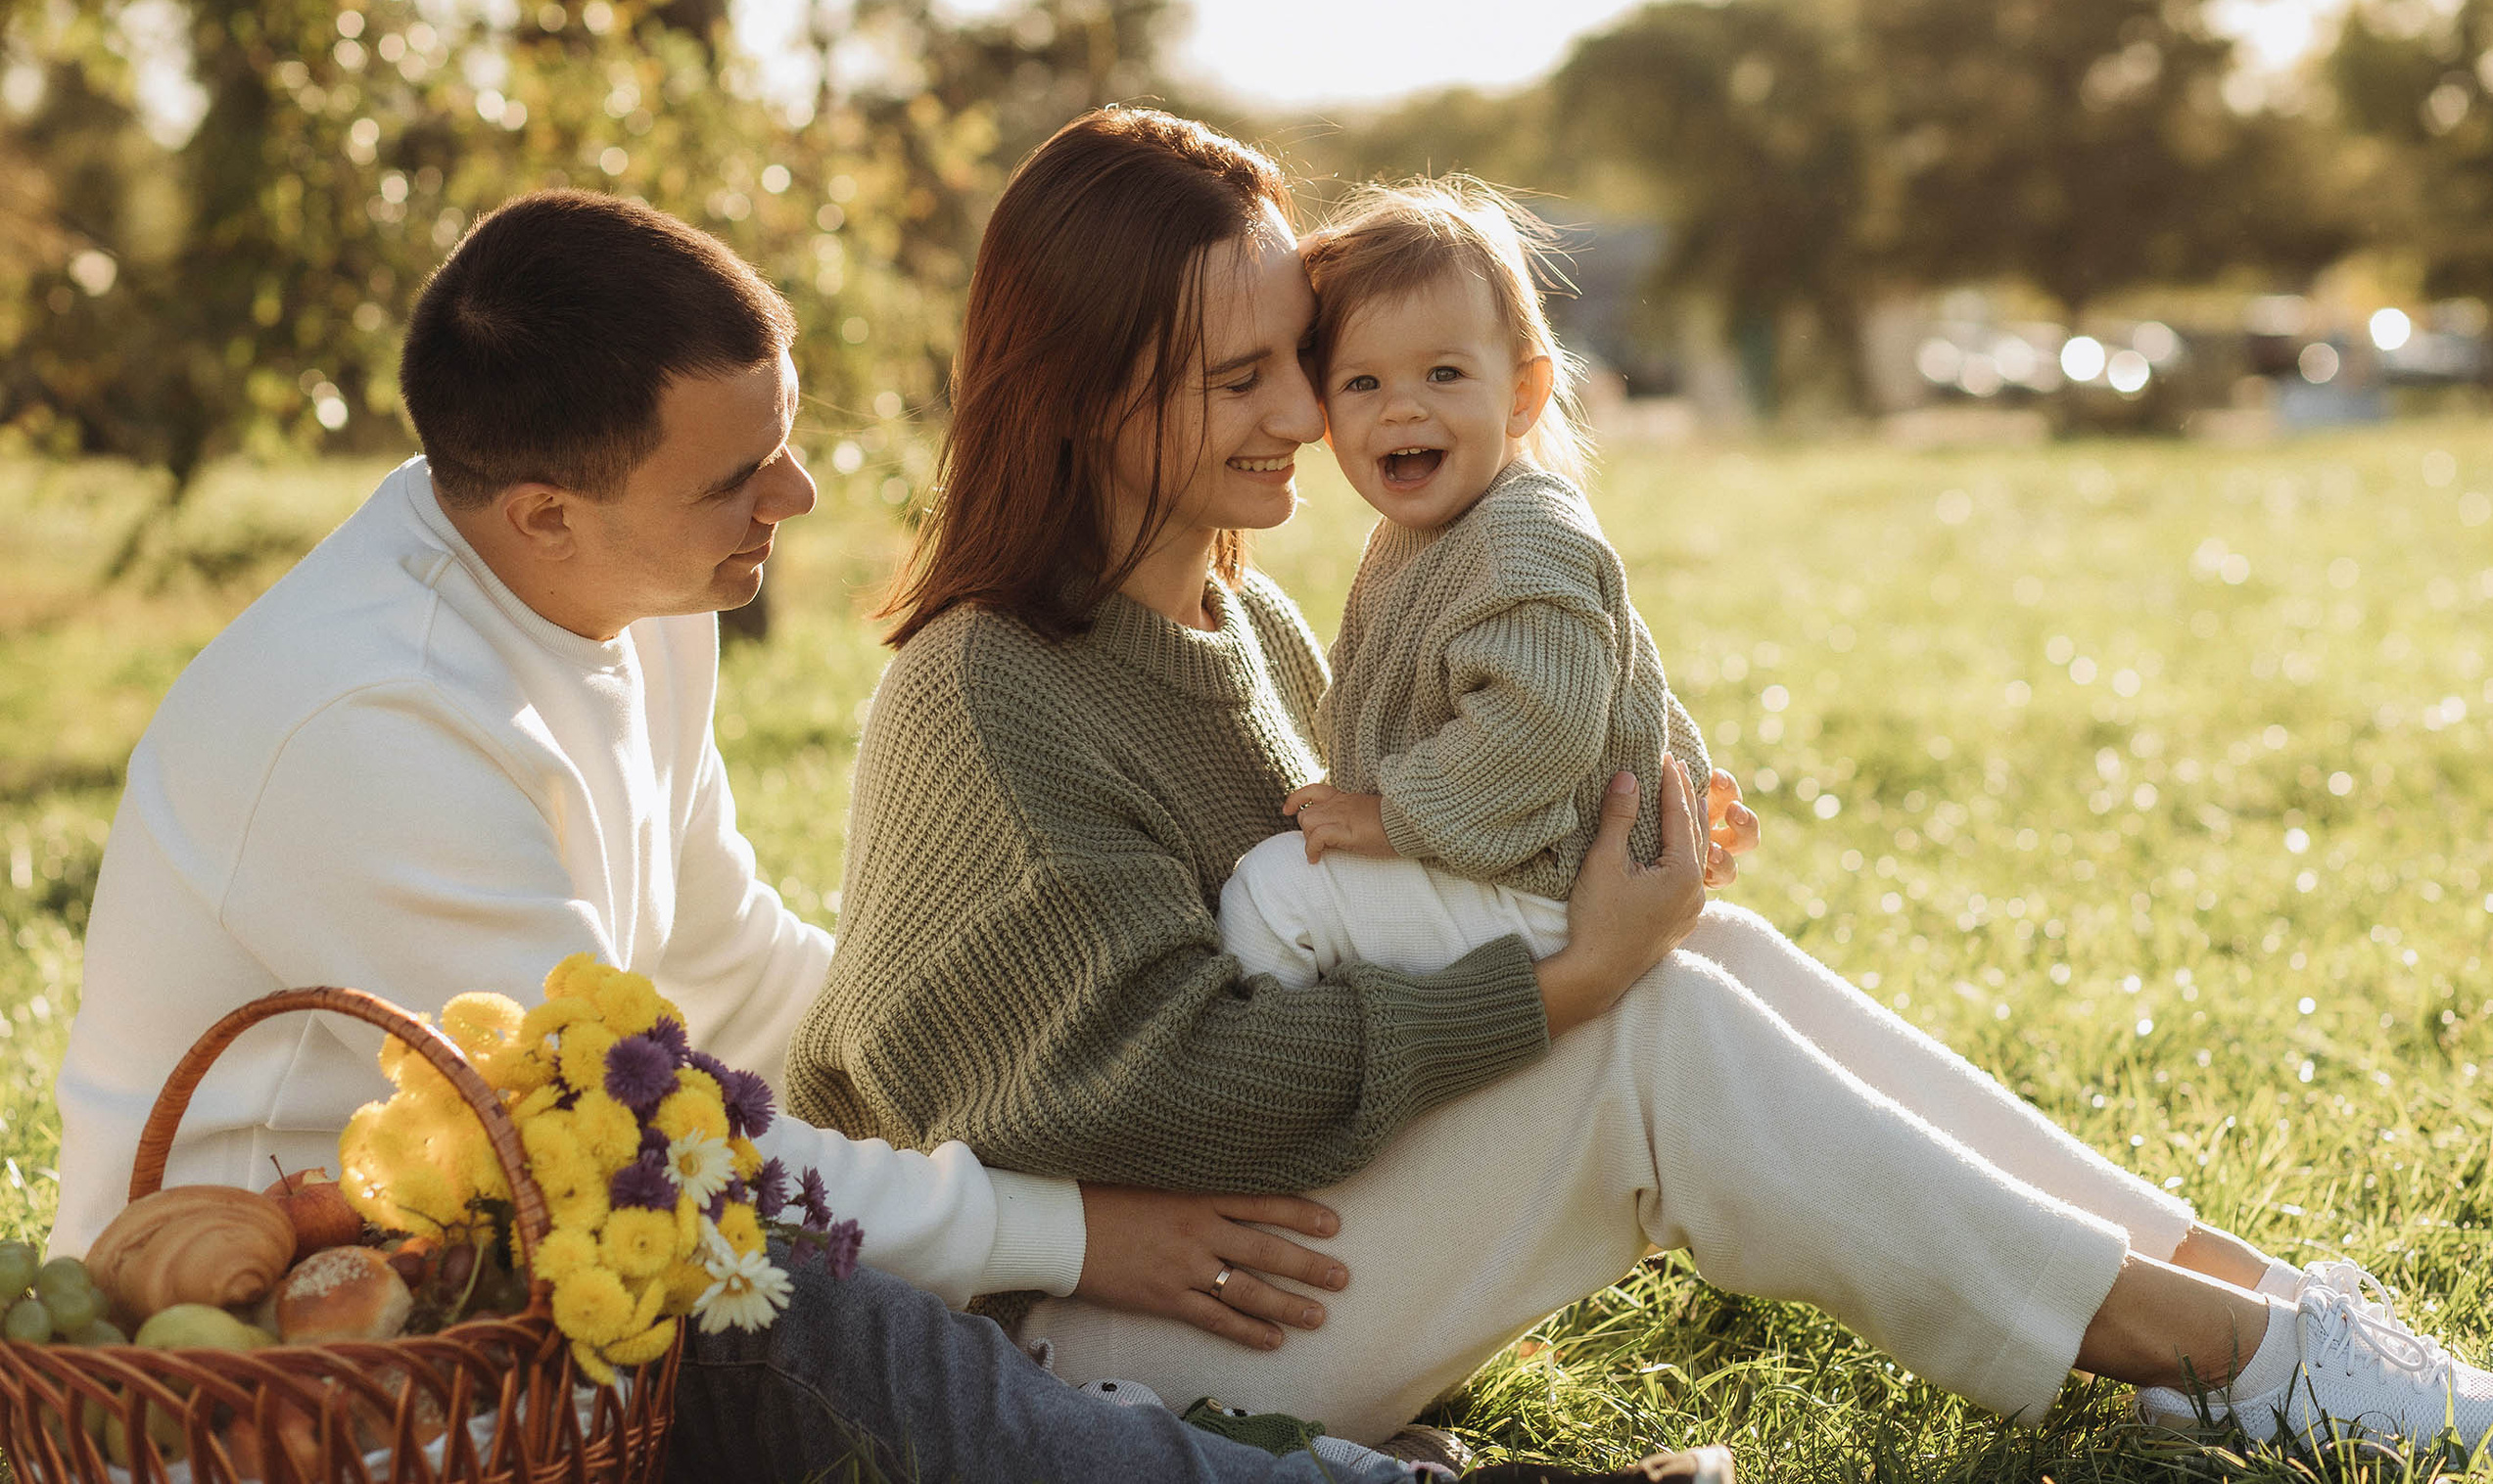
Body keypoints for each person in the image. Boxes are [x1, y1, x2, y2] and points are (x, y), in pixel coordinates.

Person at [783, 107, 2493, 1459]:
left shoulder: (1249, 626)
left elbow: (1371, 906)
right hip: (1091, 1367)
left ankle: (2253, 1306)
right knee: (1648, 1028)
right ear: (1087, 398)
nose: (1307, 414)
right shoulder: (985, 687)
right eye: (1241, 377)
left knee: (1709, 969)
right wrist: (1571, 972)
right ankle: (2225, 1358)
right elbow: (1126, 1095)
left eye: (1292, 357)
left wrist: (1621, 827)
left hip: (1263, 1250)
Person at [47, 188, 1575, 1484]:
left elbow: (728, 965)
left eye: (782, 433)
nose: (803, 487)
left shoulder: (627, 593)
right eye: (738, 474)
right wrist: (1067, 1227)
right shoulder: (368, 726)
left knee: (850, 1272)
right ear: (543, 514)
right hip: (336, 1363)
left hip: (557, 1237)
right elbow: (648, 1142)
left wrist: (955, 1101)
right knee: (813, 1304)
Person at [1215, 177, 1716, 992]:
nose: (1402, 410)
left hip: (1543, 882)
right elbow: (1618, 675)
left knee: (1273, 897)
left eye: (1443, 374)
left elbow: (1544, 722)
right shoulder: (1430, 532)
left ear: (1522, 393)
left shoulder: (1524, 534)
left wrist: (1391, 815)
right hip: (1506, 856)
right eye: (1362, 383)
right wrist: (1689, 774)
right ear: (1324, 409)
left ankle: (1265, 1096)